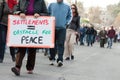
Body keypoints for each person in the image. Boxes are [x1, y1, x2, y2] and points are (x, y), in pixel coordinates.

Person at [11, 0, 48, 76]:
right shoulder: (22, 1)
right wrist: (20, 13)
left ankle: (30, 67)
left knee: (32, 48)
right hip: (23, 28)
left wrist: (39, 15)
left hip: (35, 28)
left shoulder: (40, 1)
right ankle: (17, 67)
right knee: (21, 47)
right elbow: (15, 10)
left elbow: (46, 13)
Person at [48, 0, 72, 67]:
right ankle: (52, 58)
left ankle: (60, 60)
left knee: (61, 44)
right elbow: (47, 13)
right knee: (52, 44)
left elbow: (70, 16)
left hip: (62, 28)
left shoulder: (67, 6)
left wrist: (66, 22)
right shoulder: (51, 5)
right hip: (52, 27)